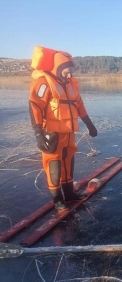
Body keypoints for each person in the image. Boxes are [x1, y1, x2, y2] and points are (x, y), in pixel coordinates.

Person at [29, 47, 98, 211]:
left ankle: (69, 194)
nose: (69, 75)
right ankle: (57, 199)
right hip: (51, 133)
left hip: (68, 132)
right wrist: (38, 133)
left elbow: (79, 104)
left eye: (71, 72)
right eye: (66, 72)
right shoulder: (44, 83)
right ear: (58, 69)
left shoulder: (71, 83)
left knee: (68, 161)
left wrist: (89, 123)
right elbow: (35, 106)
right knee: (54, 164)